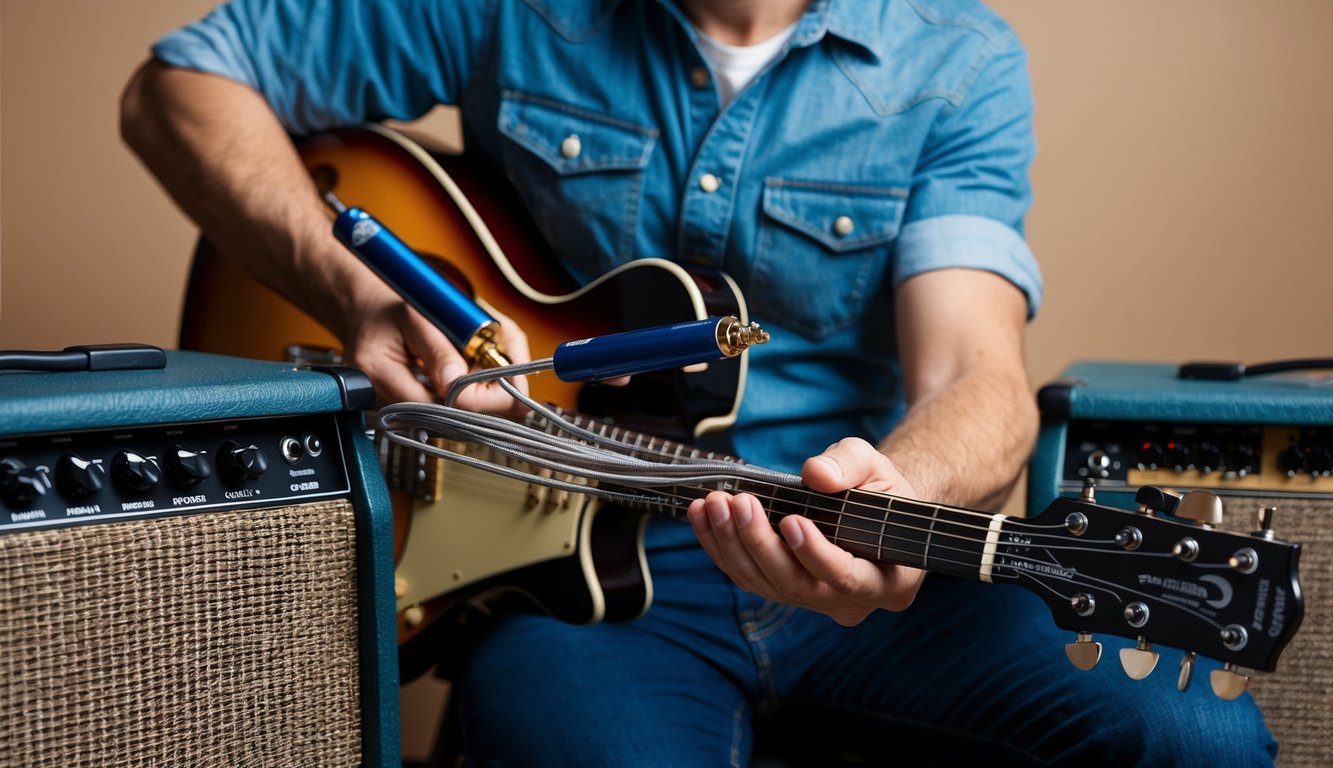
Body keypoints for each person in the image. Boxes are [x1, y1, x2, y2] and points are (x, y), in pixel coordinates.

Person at [121, 0, 1277, 764]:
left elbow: (979, 374)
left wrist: (892, 492)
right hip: (559, 568)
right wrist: (356, 293)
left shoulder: (957, 57)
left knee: (1197, 740)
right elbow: (176, 89)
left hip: (858, 553)